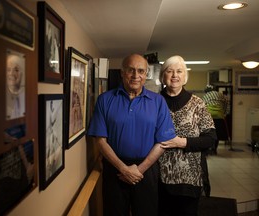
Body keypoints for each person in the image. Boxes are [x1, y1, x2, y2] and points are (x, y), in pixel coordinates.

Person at [87, 54, 184, 216]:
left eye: (141, 71)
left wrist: (139, 170)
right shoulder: (105, 100)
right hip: (115, 169)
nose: (136, 76)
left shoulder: (158, 102)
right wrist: (123, 169)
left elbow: (163, 142)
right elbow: (100, 140)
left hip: (146, 170)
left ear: (146, 75)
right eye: (131, 70)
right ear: (122, 72)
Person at [158, 55, 217, 216]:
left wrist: (181, 142)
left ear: (185, 77)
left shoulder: (198, 104)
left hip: (190, 180)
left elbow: (211, 139)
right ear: (162, 76)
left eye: (179, 71)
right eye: (169, 71)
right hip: (158, 179)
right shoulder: (153, 102)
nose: (174, 75)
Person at [202, 85, 229, 154]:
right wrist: (224, 113)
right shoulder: (220, 94)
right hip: (219, 116)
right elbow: (226, 102)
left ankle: (209, 148)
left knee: (209, 133)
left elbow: (203, 106)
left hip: (209, 116)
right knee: (218, 134)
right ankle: (214, 149)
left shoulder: (206, 96)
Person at [6, 52, 25, 120]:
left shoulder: (26, 96)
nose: (11, 73)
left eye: (16, 70)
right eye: (8, 70)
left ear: (22, 73)